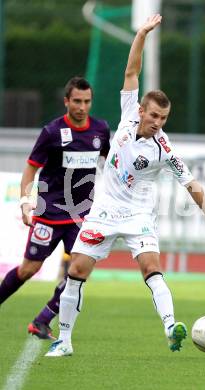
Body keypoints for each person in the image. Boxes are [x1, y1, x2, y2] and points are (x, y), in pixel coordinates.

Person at [45, 14, 205, 357]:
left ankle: (170, 328)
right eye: (154, 116)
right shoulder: (128, 111)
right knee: (76, 271)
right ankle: (65, 340)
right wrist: (143, 32)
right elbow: (131, 71)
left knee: (151, 267)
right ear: (142, 111)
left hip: (137, 213)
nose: (158, 123)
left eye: (164, 118)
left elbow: (191, 184)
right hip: (104, 209)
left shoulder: (164, 149)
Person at [0, 76, 110, 340]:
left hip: (81, 216)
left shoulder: (101, 130)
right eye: (77, 101)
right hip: (49, 215)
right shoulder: (52, 132)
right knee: (29, 270)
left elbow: (112, 162)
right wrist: (27, 202)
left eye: (87, 101)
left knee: (81, 270)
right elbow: (31, 168)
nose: (82, 107)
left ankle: (43, 319)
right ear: (66, 101)